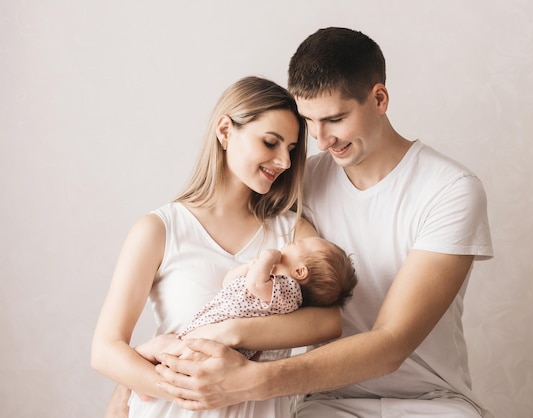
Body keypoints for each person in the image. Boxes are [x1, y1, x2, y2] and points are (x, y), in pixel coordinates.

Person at [111, 27, 495, 417]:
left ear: (379, 99)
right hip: (320, 399)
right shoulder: (297, 182)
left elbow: (390, 344)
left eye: (335, 119)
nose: (322, 139)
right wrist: (129, 385)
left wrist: (246, 376)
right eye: (309, 122)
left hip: (428, 401)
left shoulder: (450, 190)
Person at [91, 75, 347, 418]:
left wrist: (229, 333)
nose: (285, 163)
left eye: (290, 149)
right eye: (271, 143)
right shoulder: (159, 230)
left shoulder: (293, 233)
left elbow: (328, 322)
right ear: (225, 130)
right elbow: (105, 351)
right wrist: (195, 387)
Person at [136, 236, 357, 362]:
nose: (292, 242)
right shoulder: (269, 279)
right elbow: (229, 282)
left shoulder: (289, 293)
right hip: (211, 326)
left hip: (215, 339)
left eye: (299, 244)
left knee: (170, 350)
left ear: (300, 272)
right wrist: (250, 267)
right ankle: (143, 378)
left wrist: (267, 256)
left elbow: (254, 285)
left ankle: (140, 374)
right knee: (174, 352)